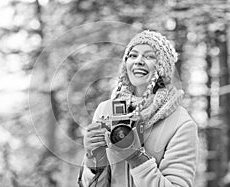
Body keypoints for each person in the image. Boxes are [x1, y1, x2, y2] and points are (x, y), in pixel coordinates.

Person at [77, 30, 199, 187]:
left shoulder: (181, 123)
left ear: (162, 67)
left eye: (149, 56)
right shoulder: (105, 110)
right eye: (133, 55)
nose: (138, 61)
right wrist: (93, 158)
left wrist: (136, 158)